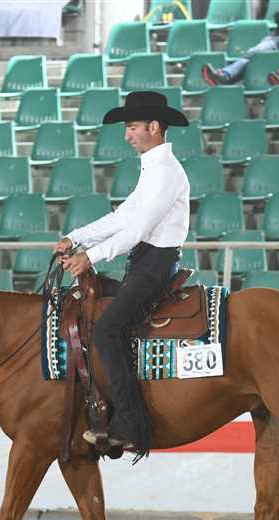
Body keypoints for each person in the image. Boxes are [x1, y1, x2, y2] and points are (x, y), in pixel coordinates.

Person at [55, 91, 191, 457]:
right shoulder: (153, 169)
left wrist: (89, 257)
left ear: (154, 126)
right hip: (145, 262)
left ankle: (130, 423)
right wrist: (76, 237)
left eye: (132, 127)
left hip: (155, 266)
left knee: (107, 329)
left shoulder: (165, 172)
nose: (127, 135)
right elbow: (123, 217)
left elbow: (136, 229)